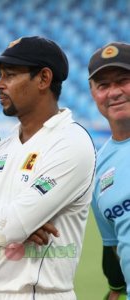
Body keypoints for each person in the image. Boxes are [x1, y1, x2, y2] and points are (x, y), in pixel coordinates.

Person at [0, 36, 96, 299]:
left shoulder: (72, 143)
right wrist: (14, 228)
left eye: (10, 75)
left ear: (44, 79)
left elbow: (11, 226)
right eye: (1, 75)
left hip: (33, 293)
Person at [88, 42, 130, 300]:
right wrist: (115, 291)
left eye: (123, 80)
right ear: (93, 93)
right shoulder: (98, 168)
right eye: (103, 85)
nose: (113, 92)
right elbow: (112, 246)